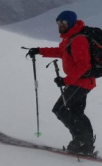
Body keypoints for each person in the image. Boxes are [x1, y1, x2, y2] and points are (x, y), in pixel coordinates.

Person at [26, 10, 97, 155]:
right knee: (77, 112)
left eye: (64, 22)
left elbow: (83, 65)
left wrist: (66, 80)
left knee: (60, 109)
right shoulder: (69, 38)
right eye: (58, 22)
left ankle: (81, 141)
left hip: (80, 82)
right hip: (81, 82)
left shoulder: (78, 40)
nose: (61, 25)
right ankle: (86, 145)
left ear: (70, 23)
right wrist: (39, 51)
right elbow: (61, 52)